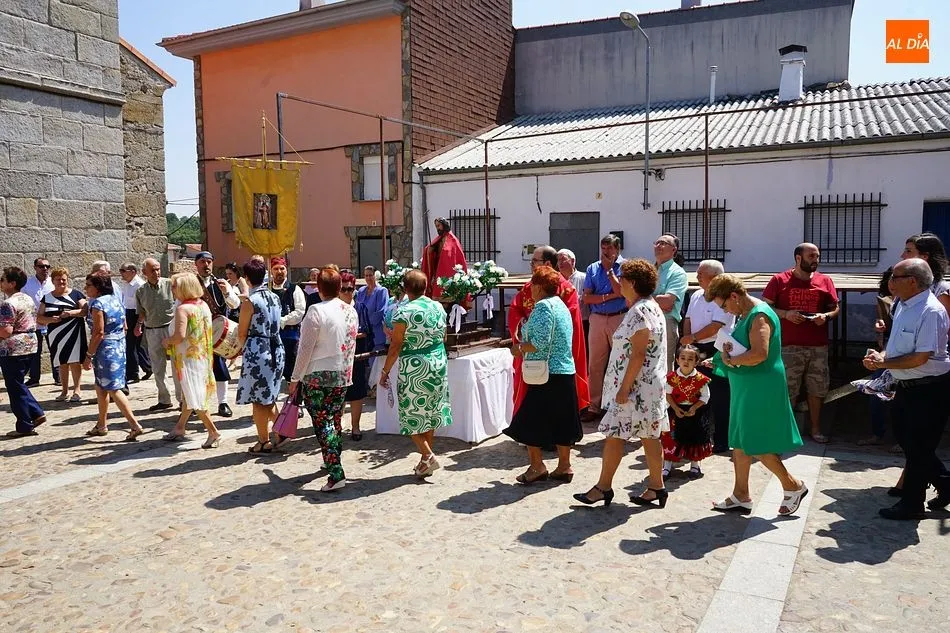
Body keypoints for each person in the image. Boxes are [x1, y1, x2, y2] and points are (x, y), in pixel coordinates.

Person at [706, 274, 807, 516]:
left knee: (754, 441)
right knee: (740, 440)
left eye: (724, 305)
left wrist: (730, 361)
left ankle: (793, 485)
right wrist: (721, 358)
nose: (725, 311)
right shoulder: (746, 313)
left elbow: (760, 354)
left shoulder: (759, 315)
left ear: (734, 296)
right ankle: (741, 494)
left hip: (760, 386)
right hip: (748, 385)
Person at [574, 259, 668, 508]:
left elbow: (638, 354)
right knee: (649, 435)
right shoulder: (651, 306)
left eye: (622, 278)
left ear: (632, 283)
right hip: (648, 386)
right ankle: (656, 486)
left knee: (616, 434)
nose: (618, 281)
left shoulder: (639, 311)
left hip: (635, 388)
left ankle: (603, 487)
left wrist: (624, 388)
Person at [863, 258, 950, 519]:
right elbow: (898, 346)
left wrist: (884, 363)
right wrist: (880, 356)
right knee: (907, 441)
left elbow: (921, 357)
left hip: (929, 389)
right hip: (907, 385)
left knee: (919, 447)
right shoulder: (901, 304)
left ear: (912, 281)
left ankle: (912, 504)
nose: (890, 281)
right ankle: (945, 483)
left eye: (895, 277)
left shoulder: (931, 311)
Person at [505, 266, 583, 484]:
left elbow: (539, 343)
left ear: (539, 286)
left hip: (547, 373)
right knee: (562, 420)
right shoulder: (560, 305)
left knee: (529, 420)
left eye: (532, 284)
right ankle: (564, 466)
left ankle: (537, 466)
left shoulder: (543, 307)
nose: (530, 289)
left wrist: (518, 348)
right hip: (564, 371)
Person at [763, 243, 839, 444]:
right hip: (789, 346)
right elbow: (765, 308)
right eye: (811, 256)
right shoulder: (779, 280)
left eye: (817, 256)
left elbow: (835, 308)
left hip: (818, 346)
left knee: (817, 389)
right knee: (788, 389)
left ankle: (815, 429)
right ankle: (785, 431)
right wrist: (786, 314)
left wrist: (826, 316)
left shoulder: (825, 280)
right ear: (798, 258)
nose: (816, 260)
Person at [290, 267, 358, 492]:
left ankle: (336, 471)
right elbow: (350, 344)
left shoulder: (316, 311)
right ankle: (331, 458)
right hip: (342, 373)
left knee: (323, 424)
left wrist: (295, 377)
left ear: (319, 288)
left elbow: (305, 348)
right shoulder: (350, 311)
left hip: (317, 374)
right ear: (339, 287)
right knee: (334, 419)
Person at [378, 269, 452, 477]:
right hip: (437, 362)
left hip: (415, 367)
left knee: (410, 415)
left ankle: (428, 455)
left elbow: (396, 346)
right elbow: (444, 336)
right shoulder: (437, 306)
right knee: (430, 412)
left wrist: (385, 371)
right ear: (425, 287)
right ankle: (425, 462)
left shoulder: (404, 312)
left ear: (405, 288)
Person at [509, 245, 590, 416]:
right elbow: (516, 308)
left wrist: (523, 344)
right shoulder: (531, 286)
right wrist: (523, 324)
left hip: (550, 363)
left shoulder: (565, 289)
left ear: (547, 263)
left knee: (544, 409)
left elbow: (570, 325)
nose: (531, 265)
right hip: (539, 361)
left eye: (534, 261)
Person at [160, 273, 221, 449]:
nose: (172, 289)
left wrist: (167, 341)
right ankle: (180, 427)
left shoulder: (183, 309)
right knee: (190, 394)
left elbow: (179, 336)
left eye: (174, 286)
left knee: (196, 397)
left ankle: (213, 432)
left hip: (189, 359)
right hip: (202, 356)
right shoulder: (203, 305)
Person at [82, 272, 144, 441]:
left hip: (105, 350)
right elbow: (124, 326)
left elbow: (98, 332)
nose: (86, 288)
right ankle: (101, 424)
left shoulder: (98, 304)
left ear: (98, 287)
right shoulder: (115, 300)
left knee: (113, 388)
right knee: (101, 386)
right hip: (118, 346)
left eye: (89, 285)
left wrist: (88, 355)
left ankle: (134, 425)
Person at [680, 259, 734, 452]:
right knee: (696, 394)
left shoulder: (724, 299)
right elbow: (687, 318)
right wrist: (688, 342)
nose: (697, 276)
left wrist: (692, 337)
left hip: (716, 349)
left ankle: (721, 440)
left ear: (714, 277)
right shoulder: (696, 295)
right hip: (695, 349)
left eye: (701, 274)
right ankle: (699, 438)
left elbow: (715, 326)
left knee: (719, 397)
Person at [236, 258, 285, 454]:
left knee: (258, 399)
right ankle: (279, 431)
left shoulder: (250, 301)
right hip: (276, 347)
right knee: (268, 396)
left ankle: (264, 441)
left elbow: (241, 332)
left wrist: (239, 350)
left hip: (258, 350)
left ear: (247, 278)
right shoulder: (275, 297)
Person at [581, 234, 625, 421]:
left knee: (620, 362)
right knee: (595, 364)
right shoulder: (592, 268)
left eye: (610, 248)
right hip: (598, 318)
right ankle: (594, 406)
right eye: (603, 248)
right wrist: (609, 296)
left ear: (618, 249)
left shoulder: (626, 267)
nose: (606, 252)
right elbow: (587, 297)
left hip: (619, 317)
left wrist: (610, 272)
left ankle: (618, 405)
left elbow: (622, 292)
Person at [1, 266, 47, 437]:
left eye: (3, 279)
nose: (0, 282)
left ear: (12, 283)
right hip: (29, 345)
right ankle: (36, 413)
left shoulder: (8, 303)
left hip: (13, 349)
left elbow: (6, 331)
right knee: (18, 383)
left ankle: (25, 425)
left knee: (14, 387)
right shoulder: (27, 298)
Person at [195, 250, 241, 417]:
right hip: (197, 333)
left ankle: (223, 403)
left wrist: (227, 292)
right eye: (202, 262)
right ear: (196, 264)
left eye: (209, 261)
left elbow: (235, 304)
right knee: (199, 370)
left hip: (218, 334)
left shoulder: (221, 283)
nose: (206, 265)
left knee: (220, 368)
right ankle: (198, 404)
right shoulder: (191, 283)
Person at [661, 345, 713, 479]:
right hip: (675, 412)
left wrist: (694, 408)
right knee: (670, 438)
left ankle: (695, 465)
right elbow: (667, 394)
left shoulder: (701, 379)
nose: (686, 361)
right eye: (683, 358)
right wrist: (675, 408)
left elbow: (705, 396)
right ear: (677, 360)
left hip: (695, 412)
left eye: (690, 359)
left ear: (696, 362)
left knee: (695, 438)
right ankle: (667, 465)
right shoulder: (671, 378)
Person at [135, 258, 180, 411]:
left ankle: (182, 400)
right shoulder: (141, 291)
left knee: (177, 365)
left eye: (158, 269)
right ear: (144, 272)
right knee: (157, 367)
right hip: (152, 330)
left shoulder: (170, 285)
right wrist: (138, 326)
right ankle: (164, 399)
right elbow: (142, 312)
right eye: (152, 270)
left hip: (170, 329)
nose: (156, 272)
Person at [37, 267, 87, 403]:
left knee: (75, 361)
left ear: (67, 280)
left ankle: (77, 390)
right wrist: (50, 319)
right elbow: (39, 317)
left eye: (63, 279)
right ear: (53, 281)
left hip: (74, 332)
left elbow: (85, 310)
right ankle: (64, 391)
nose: (61, 282)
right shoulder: (47, 297)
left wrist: (70, 313)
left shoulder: (76, 294)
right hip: (55, 334)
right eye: (58, 279)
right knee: (62, 362)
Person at [340, 270, 369, 440]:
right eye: (343, 289)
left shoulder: (360, 307)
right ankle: (338, 423)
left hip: (357, 356)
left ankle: (356, 427)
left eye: (350, 289)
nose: (347, 292)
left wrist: (351, 335)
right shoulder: (333, 308)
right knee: (339, 392)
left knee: (357, 394)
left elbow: (365, 330)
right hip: (338, 357)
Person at [268, 256, 306, 385]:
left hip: (290, 336)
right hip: (271, 336)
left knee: (291, 368)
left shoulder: (294, 289)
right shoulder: (267, 289)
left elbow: (300, 312)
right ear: (271, 271)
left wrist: (282, 320)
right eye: (276, 269)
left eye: (282, 268)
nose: (279, 271)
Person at [653, 233, 688, 372]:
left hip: (665, 323)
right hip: (645, 322)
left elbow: (667, 302)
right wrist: (657, 300)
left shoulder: (677, 273)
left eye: (663, 243)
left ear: (674, 250)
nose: (658, 246)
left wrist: (644, 299)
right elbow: (633, 297)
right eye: (657, 243)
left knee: (664, 367)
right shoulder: (649, 270)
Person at [23, 257, 57, 387]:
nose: (45, 269)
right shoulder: (27, 284)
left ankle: (58, 376)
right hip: (33, 323)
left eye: (47, 266)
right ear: (35, 267)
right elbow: (24, 301)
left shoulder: (53, 283)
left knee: (55, 349)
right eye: (42, 266)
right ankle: (34, 378)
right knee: (34, 352)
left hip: (52, 322)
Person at [421, 217, 469, 301]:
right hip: (438, 268)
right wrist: (430, 249)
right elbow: (431, 250)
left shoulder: (452, 239)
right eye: (436, 226)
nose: (437, 228)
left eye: (439, 225)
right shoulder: (439, 239)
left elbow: (450, 255)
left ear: (444, 225)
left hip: (447, 269)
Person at [118, 263, 151, 384]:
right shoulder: (126, 284)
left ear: (132, 271)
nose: (121, 273)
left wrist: (139, 323)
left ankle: (133, 373)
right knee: (134, 344)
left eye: (123, 271)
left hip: (136, 314)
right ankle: (147, 367)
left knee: (131, 344)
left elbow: (143, 305)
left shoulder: (139, 285)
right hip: (127, 313)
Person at [557, 248, 589, 357]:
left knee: (581, 353)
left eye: (563, 259)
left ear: (573, 261)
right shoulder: (555, 279)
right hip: (561, 324)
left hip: (582, 322)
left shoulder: (584, 278)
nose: (560, 263)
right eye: (558, 260)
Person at [356, 265, 389, 351]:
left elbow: (380, 312)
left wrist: (366, 328)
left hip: (376, 334)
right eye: (366, 275)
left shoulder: (382, 291)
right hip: (362, 334)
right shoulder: (361, 291)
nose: (368, 278)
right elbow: (357, 310)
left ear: (375, 275)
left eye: (370, 275)